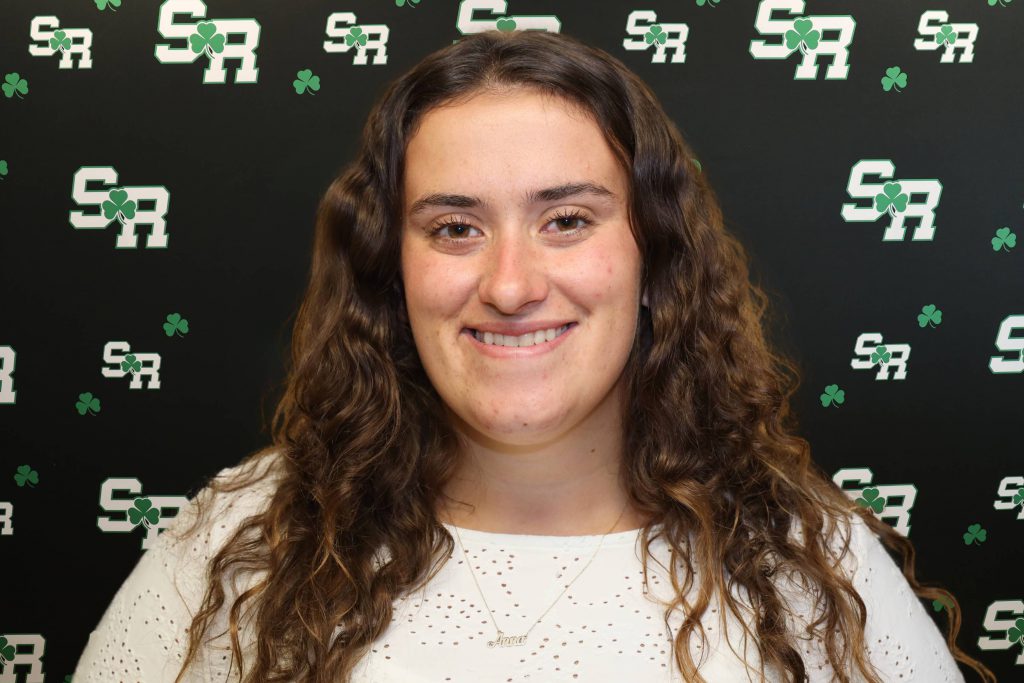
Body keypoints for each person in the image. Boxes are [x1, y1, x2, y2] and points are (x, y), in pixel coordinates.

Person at [73, 29, 995, 682]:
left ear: (653, 255)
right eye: (455, 227)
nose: (511, 284)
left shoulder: (805, 557)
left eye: (566, 220)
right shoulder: (240, 546)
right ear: (391, 268)